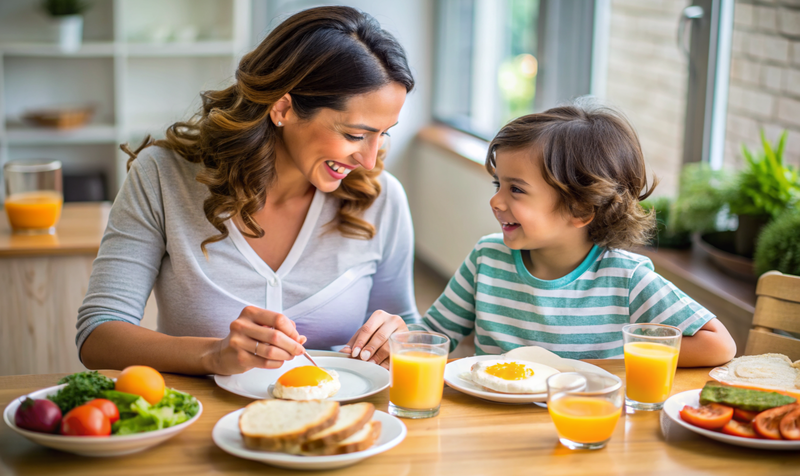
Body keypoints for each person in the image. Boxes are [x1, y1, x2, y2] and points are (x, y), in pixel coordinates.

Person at [77, 6, 419, 374]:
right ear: (283, 109)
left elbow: (406, 326)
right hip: (199, 410)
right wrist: (213, 354)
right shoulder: (162, 177)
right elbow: (97, 335)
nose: (369, 160)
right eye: (354, 135)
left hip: (339, 409)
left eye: (383, 134)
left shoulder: (382, 197)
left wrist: (399, 337)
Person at [421, 99, 737, 367]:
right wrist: (397, 335)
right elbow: (432, 335)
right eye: (497, 184)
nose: (496, 201)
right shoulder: (487, 258)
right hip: (491, 416)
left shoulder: (625, 278)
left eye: (516, 189)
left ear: (581, 210)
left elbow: (719, 345)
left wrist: (610, 362)